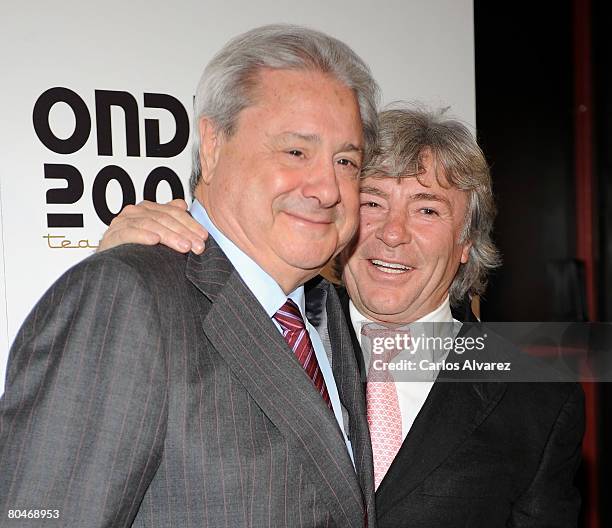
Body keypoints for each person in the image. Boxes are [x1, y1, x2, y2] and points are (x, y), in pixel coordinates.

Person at [101, 106, 585, 527]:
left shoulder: (537, 397)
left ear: (466, 243)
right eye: (372, 202)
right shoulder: (267, 328)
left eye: (427, 210)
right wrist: (126, 261)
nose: (392, 234)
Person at [0, 25, 380, 527]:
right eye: (296, 152)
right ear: (214, 143)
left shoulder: (329, 312)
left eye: (345, 160)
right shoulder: (124, 300)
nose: (327, 188)